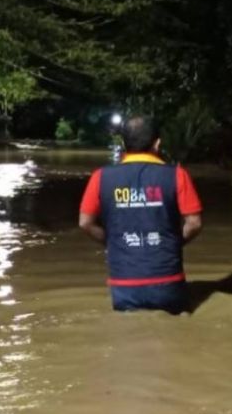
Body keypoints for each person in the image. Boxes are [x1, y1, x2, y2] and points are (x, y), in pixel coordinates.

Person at [78, 116, 203, 314]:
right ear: (157, 144)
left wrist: (112, 242)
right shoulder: (178, 175)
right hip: (169, 284)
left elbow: (85, 223)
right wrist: (173, 242)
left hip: (124, 287)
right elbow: (194, 223)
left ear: (122, 143)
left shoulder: (100, 177)